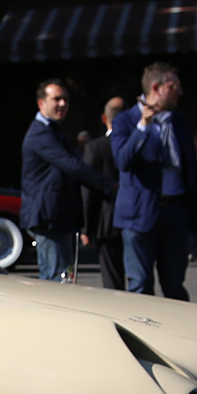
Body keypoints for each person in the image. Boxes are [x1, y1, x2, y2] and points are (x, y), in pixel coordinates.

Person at [111, 62, 197, 300]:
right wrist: (143, 127)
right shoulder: (125, 121)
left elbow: (192, 173)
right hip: (139, 215)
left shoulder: (179, 123)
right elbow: (123, 162)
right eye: (174, 86)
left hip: (176, 211)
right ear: (156, 88)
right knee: (140, 285)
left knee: (175, 285)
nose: (180, 92)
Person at [20, 78, 114, 283]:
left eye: (65, 99)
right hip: (47, 218)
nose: (62, 104)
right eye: (57, 99)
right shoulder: (40, 134)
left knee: (64, 278)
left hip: (58, 218)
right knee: (57, 280)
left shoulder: (55, 131)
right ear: (41, 103)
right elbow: (73, 166)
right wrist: (111, 186)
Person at [82, 96, 125, 290]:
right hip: (139, 220)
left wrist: (87, 228)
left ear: (104, 118)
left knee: (112, 278)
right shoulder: (139, 144)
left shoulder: (95, 148)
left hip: (107, 220)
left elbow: (89, 191)